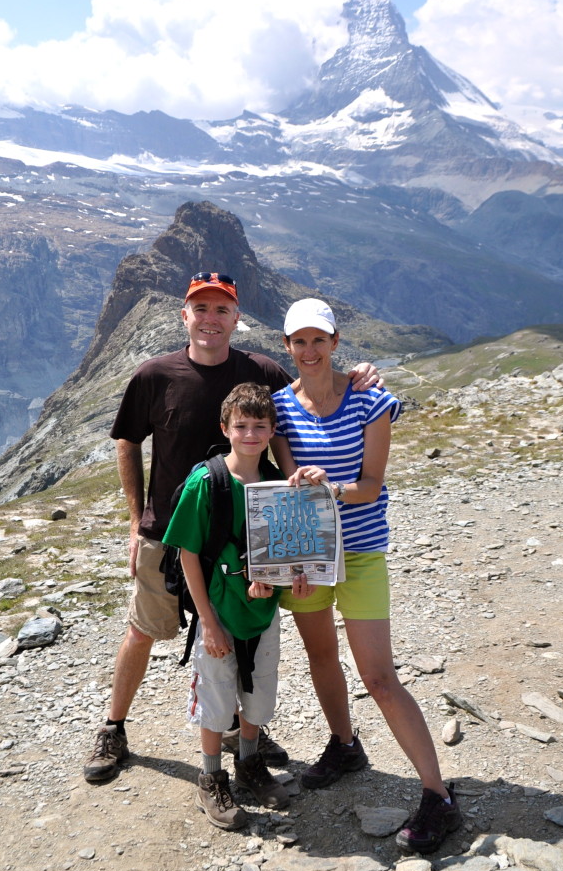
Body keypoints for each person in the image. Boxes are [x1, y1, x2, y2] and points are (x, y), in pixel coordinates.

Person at [83, 272, 380, 783]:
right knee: (145, 628)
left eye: (222, 310)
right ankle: (113, 726)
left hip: (244, 536)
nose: (211, 319)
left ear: (237, 319)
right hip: (168, 529)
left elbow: (311, 385)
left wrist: (358, 376)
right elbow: (127, 441)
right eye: (201, 309)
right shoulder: (154, 375)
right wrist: (136, 521)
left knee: (242, 628)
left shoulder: (262, 369)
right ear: (185, 316)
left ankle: (245, 732)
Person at [270, 297, 463, 856]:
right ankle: (344, 744)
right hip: (309, 552)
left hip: (360, 553)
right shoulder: (280, 408)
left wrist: (325, 488)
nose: (309, 351)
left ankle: (437, 794)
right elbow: (289, 488)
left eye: (318, 340)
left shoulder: (371, 399)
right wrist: (295, 559)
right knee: (321, 656)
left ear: (335, 343)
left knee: (379, 678)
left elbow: (372, 485)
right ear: (287, 347)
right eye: (298, 342)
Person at [162, 382, 312, 828]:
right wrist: (206, 621)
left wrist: (288, 586)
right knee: (216, 696)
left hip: (261, 613)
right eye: (241, 425)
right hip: (218, 615)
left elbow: (285, 551)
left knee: (259, 691)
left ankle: (249, 764)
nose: (250, 434)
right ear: (224, 427)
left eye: (259, 426)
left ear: (271, 432)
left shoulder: (277, 485)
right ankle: (211, 779)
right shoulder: (205, 481)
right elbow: (188, 552)